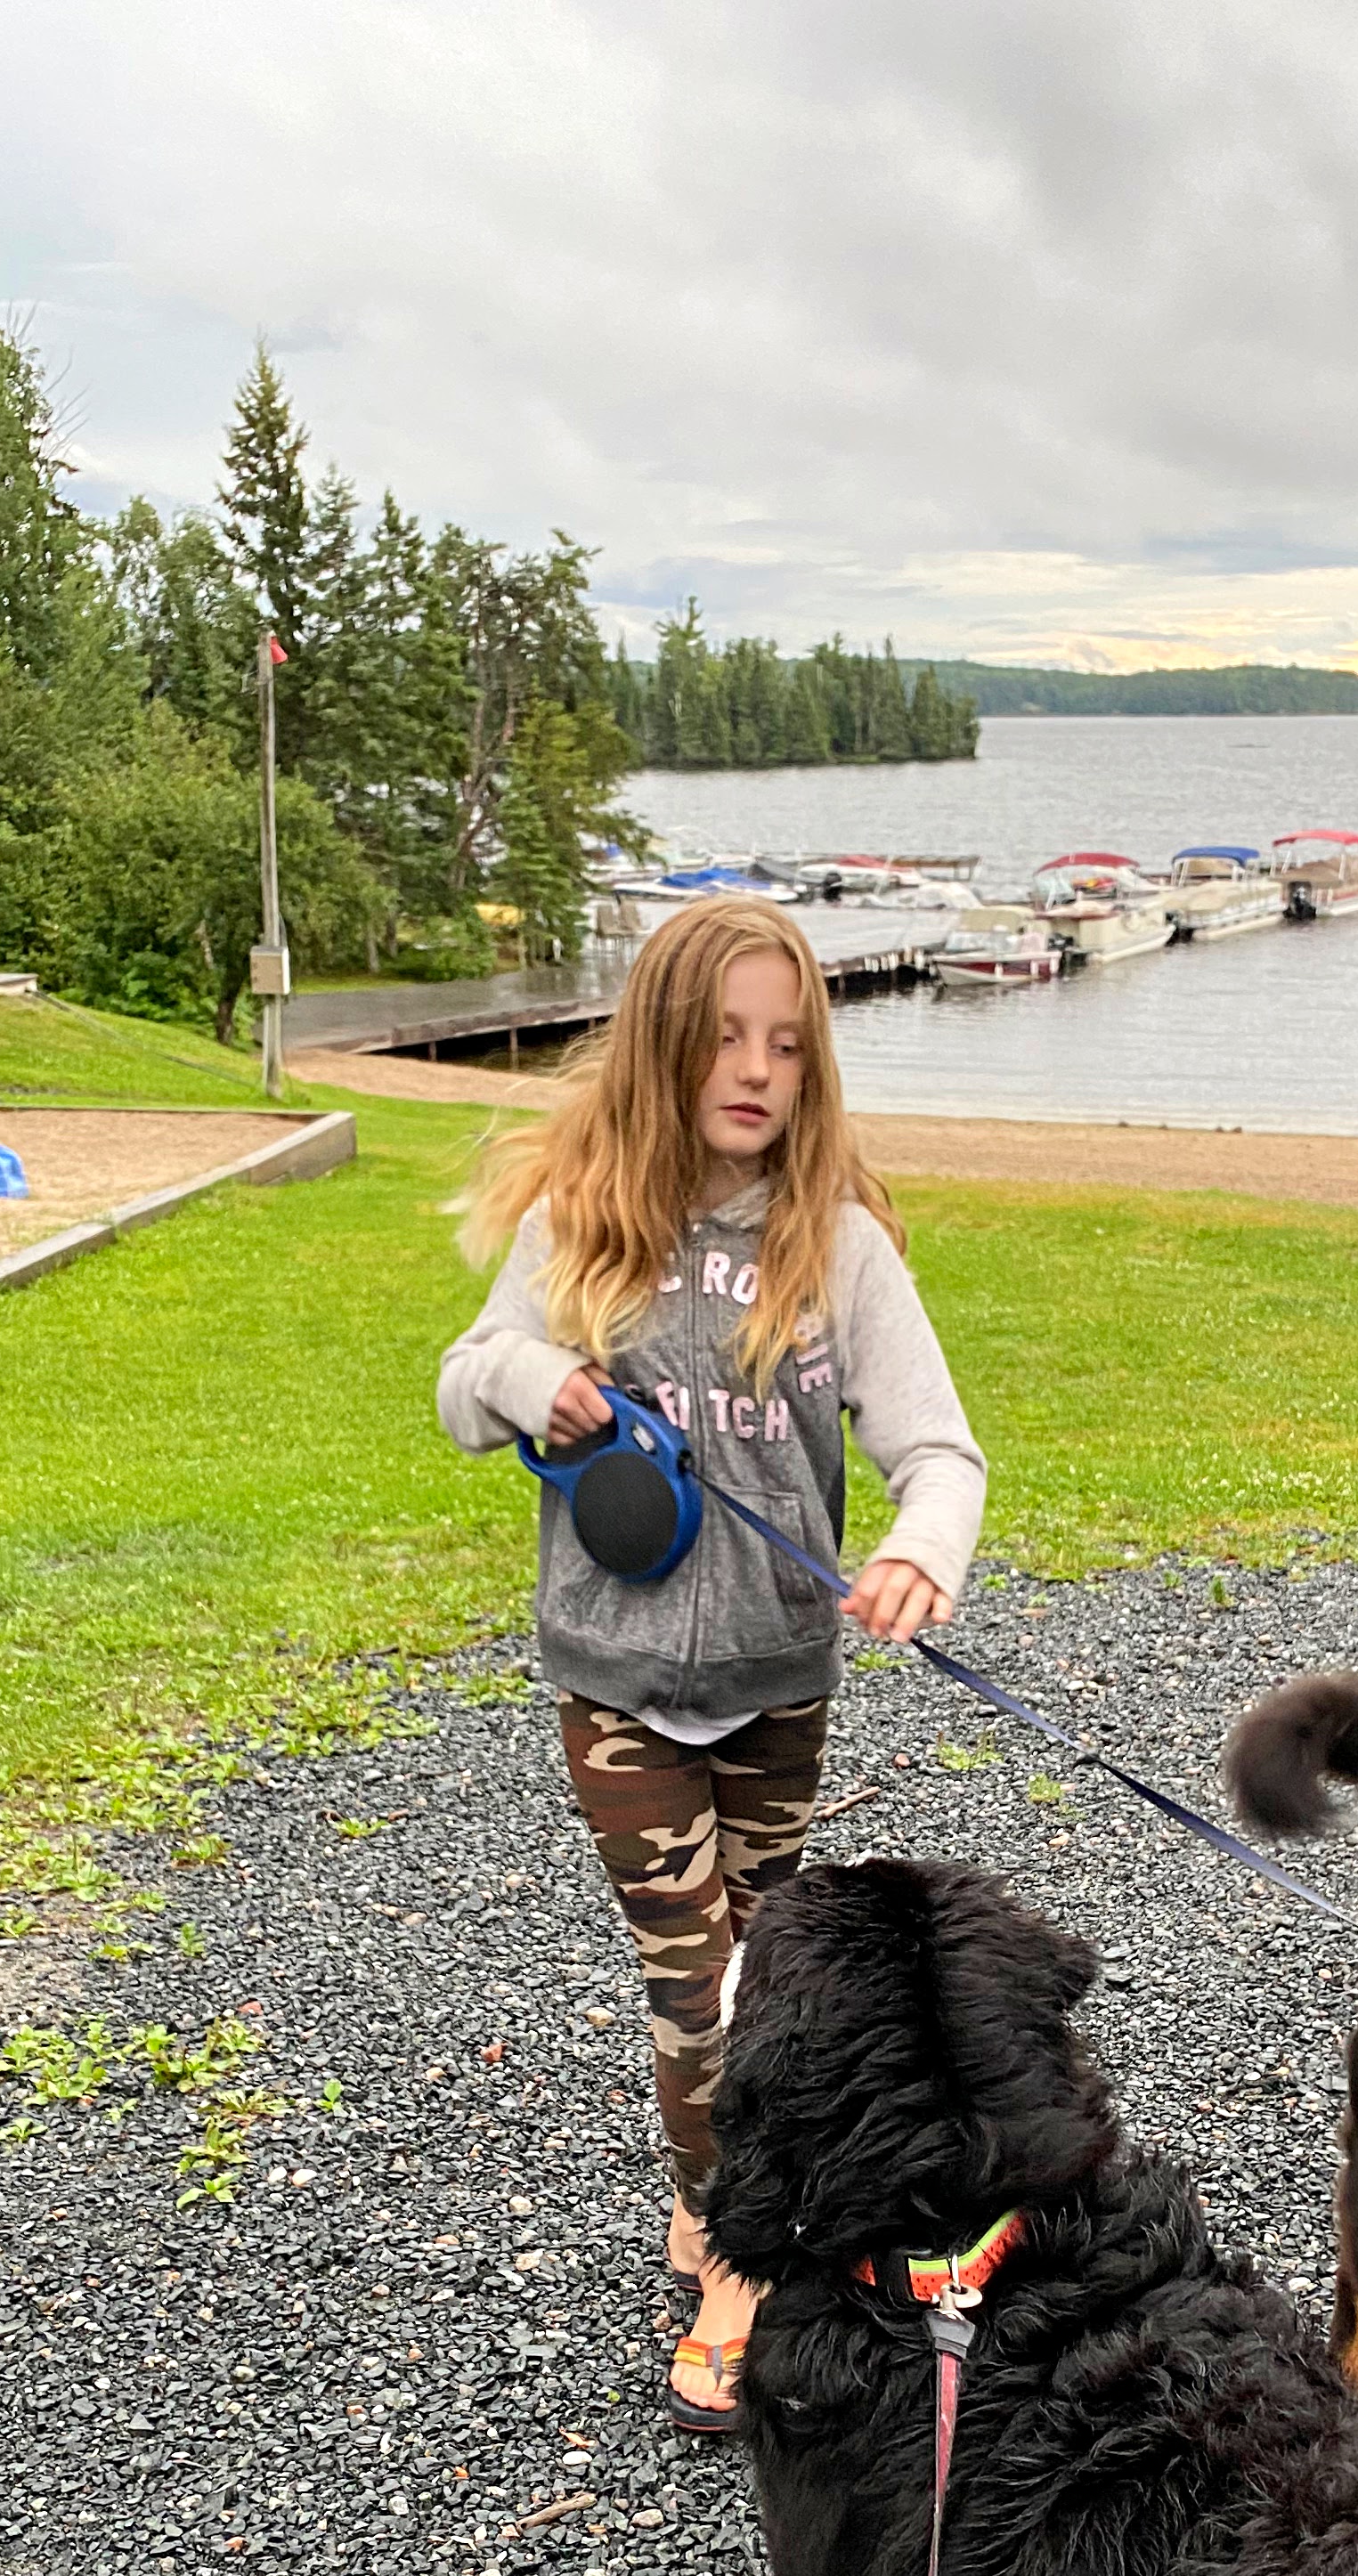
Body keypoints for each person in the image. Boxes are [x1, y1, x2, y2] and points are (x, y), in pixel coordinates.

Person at [437, 896, 985, 2431]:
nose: (755, 1072)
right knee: (699, 1986)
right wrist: (541, 1381)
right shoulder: (579, 1220)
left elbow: (938, 1450)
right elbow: (463, 1381)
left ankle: (716, 2193)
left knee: (770, 1967)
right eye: (724, 1039)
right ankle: (737, 2264)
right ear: (662, 1045)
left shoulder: (841, 1248)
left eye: (788, 1047)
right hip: (616, 1682)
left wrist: (914, 1553)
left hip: (779, 1678)